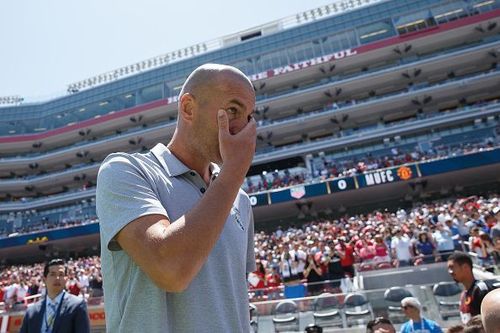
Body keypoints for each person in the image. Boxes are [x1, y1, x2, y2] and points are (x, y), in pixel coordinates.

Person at [96, 64, 257, 332]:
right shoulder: (125, 171)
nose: (243, 127)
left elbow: (234, 302)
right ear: (188, 108)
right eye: (232, 110)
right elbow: (170, 269)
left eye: (249, 117)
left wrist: (230, 179)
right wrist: (233, 172)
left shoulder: (239, 198)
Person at [19, 259, 90, 333]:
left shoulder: (77, 306)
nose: (57, 278)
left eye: (61, 274)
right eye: (53, 274)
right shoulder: (32, 311)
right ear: (45, 279)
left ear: (66, 279)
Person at [447, 251, 489, 324]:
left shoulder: (480, 289)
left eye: (452, 267)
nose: (450, 272)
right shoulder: (463, 295)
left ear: (465, 267)